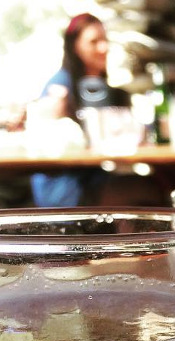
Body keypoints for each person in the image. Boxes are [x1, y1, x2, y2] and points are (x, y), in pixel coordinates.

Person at [30, 13, 109, 207]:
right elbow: (45, 143)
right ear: (74, 46)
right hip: (64, 188)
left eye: (105, 40)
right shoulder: (60, 85)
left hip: (90, 178)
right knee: (143, 190)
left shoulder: (94, 86)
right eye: (94, 41)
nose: (104, 47)